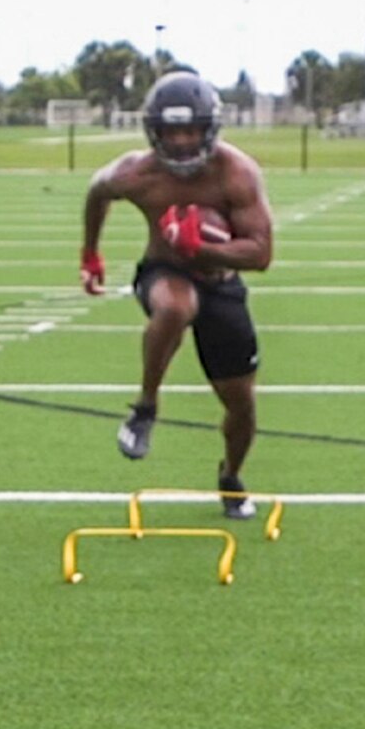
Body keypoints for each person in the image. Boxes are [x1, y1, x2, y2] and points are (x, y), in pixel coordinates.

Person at [79, 68, 275, 518]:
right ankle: (146, 406)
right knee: (175, 306)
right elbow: (96, 191)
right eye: (172, 131)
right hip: (164, 270)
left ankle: (230, 476)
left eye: (192, 130)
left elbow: (262, 253)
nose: (184, 141)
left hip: (222, 281)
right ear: (154, 132)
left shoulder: (237, 173)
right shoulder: (137, 174)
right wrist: (90, 254)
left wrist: (203, 247)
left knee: (241, 407)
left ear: (210, 129)